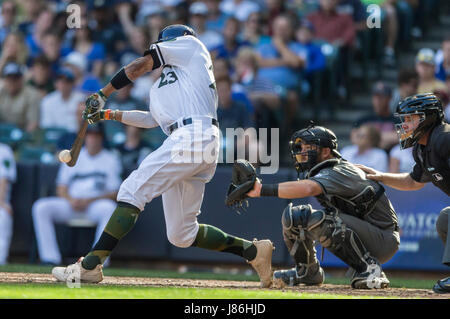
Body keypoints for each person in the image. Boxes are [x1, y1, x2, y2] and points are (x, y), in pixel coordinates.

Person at [51, 25, 274, 288]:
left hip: (193, 134)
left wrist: (103, 93)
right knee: (181, 233)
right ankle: (253, 251)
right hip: (192, 140)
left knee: (132, 190)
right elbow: (150, 120)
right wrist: (108, 114)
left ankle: (90, 265)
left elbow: (140, 65)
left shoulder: (191, 47)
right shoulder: (163, 85)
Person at [246, 124, 400, 289]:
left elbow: (308, 188)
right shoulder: (325, 170)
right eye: (301, 147)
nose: (302, 152)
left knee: (322, 220)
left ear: (326, 151)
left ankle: (370, 269)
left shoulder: (338, 169)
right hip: (364, 230)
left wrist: (260, 189)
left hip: (383, 238)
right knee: (296, 217)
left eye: (309, 147)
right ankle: (307, 272)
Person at [357, 93, 449, 293]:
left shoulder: (444, 138)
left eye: (410, 119)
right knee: (445, 219)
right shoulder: (423, 148)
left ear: (428, 118)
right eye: (404, 119)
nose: (405, 125)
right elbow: (412, 181)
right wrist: (380, 175)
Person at [32, 124, 121, 265]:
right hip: (71, 204)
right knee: (41, 207)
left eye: (96, 135)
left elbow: (115, 193)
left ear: (102, 138)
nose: (92, 139)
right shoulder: (73, 156)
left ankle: (98, 260)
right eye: (90, 135)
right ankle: (50, 258)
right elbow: (61, 187)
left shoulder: (110, 159)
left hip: (94, 206)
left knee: (109, 208)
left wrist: (89, 200)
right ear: (85, 137)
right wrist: (70, 199)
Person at [355, 81, 399, 151]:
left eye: (382, 97)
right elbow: (354, 137)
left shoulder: (397, 120)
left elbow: (401, 137)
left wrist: (368, 137)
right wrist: (386, 138)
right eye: (375, 96)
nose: (378, 100)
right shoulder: (364, 119)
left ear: (390, 98)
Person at [40, 68, 85, 133]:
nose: (63, 85)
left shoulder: (81, 99)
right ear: (55, 83)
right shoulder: (47, 101)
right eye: (60, 81)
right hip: (53, 139)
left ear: (72, 84)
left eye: (67, 81)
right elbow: (47, 127)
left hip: (74, 138)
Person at [0, 62, 41, 133]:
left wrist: (23, 138)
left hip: (23, 136)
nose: (12, 81)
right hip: (3, 134)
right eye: (9, 78)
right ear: (5, 80)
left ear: (21, 79)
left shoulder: (31, 94)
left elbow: (33, 124)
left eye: (15, 78)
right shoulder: (2, 92)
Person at [0, 142, 16, 265]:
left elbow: (4, 179)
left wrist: (1, 201)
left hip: (1, 203)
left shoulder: (4, 150)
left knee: (3, 214)